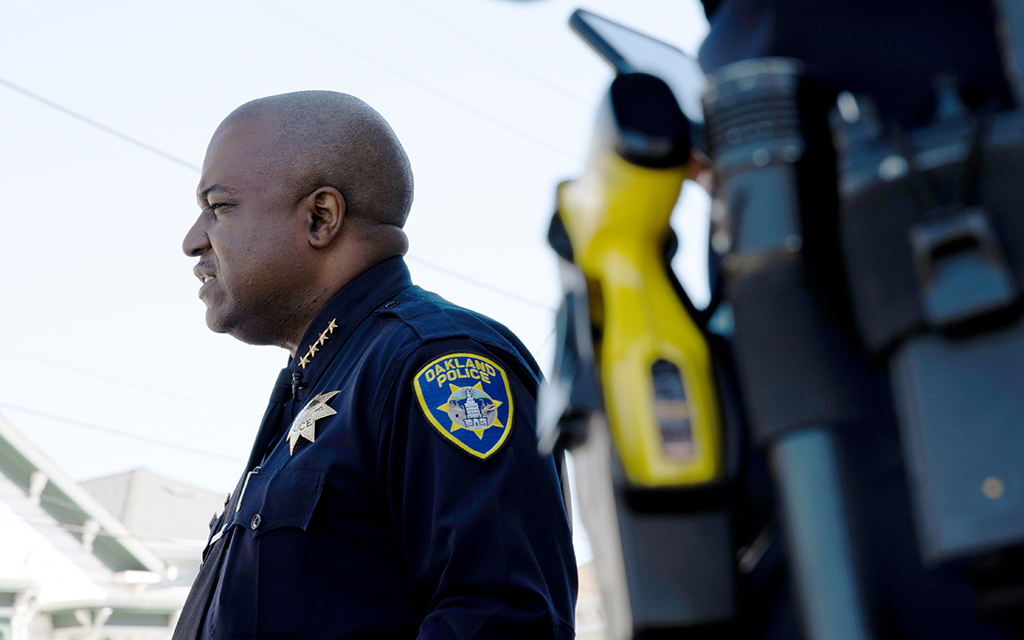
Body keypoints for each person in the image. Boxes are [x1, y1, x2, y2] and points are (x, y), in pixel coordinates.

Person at [174, 90, 577, 639]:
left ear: (321, 217)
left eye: (218, 207)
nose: (193, 241)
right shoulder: (324, 378)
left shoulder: (438, 363)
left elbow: (504, 618)